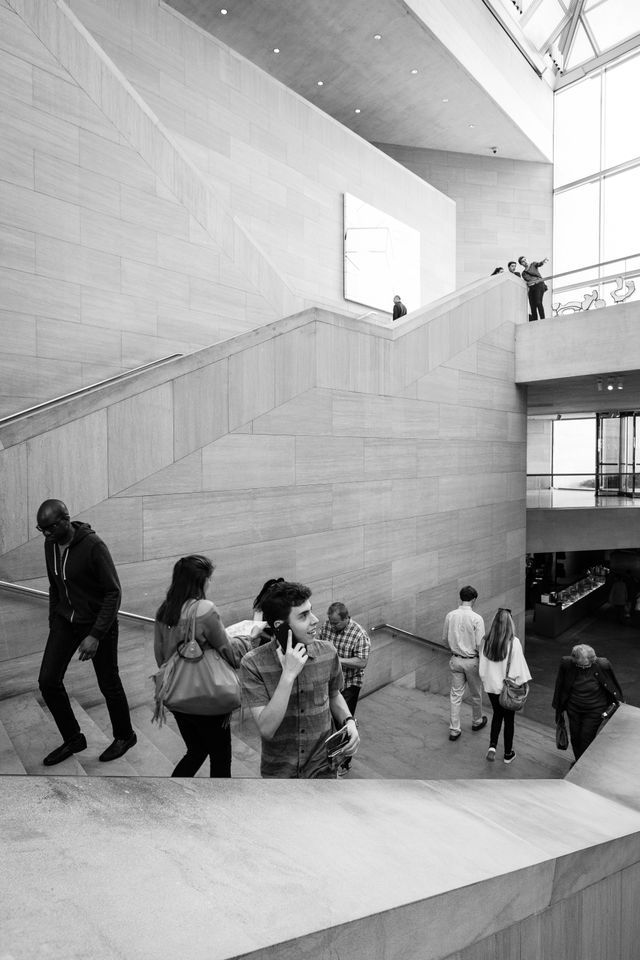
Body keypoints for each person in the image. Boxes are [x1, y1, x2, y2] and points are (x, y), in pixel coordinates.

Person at [36, 499, 136, 766]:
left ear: (66, 520)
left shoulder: (93, 546)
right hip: (65, 621)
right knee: (47, 680)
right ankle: (74, 738)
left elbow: (113, 592)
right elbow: (54, 585)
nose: (46, 535)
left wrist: (95, 634)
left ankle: (125, 736)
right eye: (42, 529)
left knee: (108, 683)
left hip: (96, 624)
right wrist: (53, 620)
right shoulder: (50, 544)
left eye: (50, 528)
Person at [239, 580, 360, 778]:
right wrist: (288, 675)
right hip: (279, 774)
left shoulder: (327, 652)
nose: (315, 620)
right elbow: (267, 729)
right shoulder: (253, 664)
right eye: (303, 615)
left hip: (323, 769)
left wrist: (349, 722)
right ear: (281, 626)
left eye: (310, 611)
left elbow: (333, 693)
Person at [154, 555, 241, 777]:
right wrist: (244, 644)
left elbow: (161, 655)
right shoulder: (205, 609)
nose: (210, 583)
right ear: (200, 581)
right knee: (220, 757)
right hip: (208, 697)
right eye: (209, 578)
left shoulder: (165, 610)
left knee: (196, 750)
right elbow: (226, 650)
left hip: (177, 695)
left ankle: (173, 793)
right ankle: (220, 805)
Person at [319, 601, 371, 774]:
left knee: (344, 723)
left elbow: (362, 662)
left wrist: (337, 660)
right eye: (330, 622)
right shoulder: (327, 626)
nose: (331, 626)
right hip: (329, 682)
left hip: (349, 683)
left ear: (346, 618)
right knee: (328, 722)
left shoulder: (359, 634)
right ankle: (328, 758)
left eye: (336, 623)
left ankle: (344, 762)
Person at [552, 644, 623, 761]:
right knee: (575, 737)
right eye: (580, 666)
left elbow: (613, 684)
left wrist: (616, 703)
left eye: (586, 666)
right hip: (574, 709)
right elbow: (559, 685)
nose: (583, 668)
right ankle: (578, 762)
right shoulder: (567, 664)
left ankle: (581, 767)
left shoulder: (602, 664)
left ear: (592, 659)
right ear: (574, 661)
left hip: (595, 709)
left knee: (586, 738)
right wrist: (559, 708)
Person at [479, 608, 531, 764]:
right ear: (510, 624)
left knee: (497, 714)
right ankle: (508, 753)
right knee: (509, 720)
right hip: (507, 688)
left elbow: (482, 668)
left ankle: (492, 747)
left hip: (491, 687)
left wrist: (488, 681)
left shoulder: (485, 640)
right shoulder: (513, 642)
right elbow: (519, 669)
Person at [443, 585, 486, 741]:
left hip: (455, 659)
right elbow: (479, 645)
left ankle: (454, 729)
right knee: (476, 694)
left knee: (455, 695)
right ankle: (477, 721)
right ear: (474, 599)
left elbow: (445, 640)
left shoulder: (450, 615)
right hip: (472, 660)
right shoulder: (477, 618)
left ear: (460, 598)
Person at [518, 255, 549, 321]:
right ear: (521, 264)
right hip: (532, 288)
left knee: (538, 302)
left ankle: (543, 319)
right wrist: (534, 281)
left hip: (539, 284)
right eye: (523, 262)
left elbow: (539, 264)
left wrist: (543, 261)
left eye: (525, 260)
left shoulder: (533, 264)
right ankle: (535, 321)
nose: (525, 262)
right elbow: (529, 280)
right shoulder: (524, 273)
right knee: (532, 306)